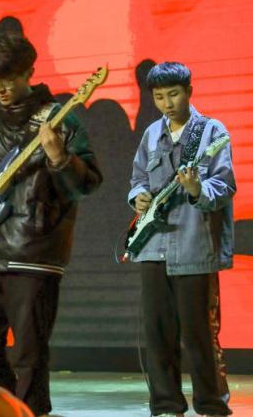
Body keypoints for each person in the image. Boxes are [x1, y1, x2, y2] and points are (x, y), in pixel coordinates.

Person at [0, 33, 101, 417]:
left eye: (9, 79)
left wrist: (60, 158)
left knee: (30, 354)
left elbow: (87, 183)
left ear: (29, 73)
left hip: (35, 251)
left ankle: (31, 412)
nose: (0, 89)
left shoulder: (60, 118)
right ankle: (4, 410)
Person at [128, 62, 234, 417]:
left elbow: (225, 185)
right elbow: (138, 179)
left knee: (199, 334)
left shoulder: (212, 131)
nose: (167, 103)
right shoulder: (150, 134)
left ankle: (211, 404)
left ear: (189, 91)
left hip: (194, 247)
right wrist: (139, 196)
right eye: (159, 97)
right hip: (153, 247)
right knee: (158, 334)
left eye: (173, 94)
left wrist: (196, 188)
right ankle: (166, 403)